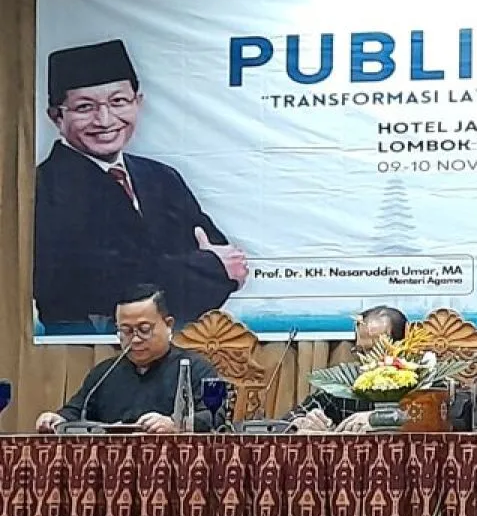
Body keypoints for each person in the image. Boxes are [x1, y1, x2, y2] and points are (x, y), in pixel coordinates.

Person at [34, 39, 248, 334]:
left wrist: (199, 270)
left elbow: (228, 268)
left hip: (178, 345)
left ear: (138, 102)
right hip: (85, 348)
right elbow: (94, 285)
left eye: (118, 102)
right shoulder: (42, 189)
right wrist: (207, 267)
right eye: (85, 107)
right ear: (57, 117)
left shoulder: (161, 178)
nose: (105, 120)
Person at [34, 284, 220, 433]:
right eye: (126, 331)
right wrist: (57, 419)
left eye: (144, 329)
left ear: (168, 324)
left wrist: (176, 424)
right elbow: (75, 412)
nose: (135, 339)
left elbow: (216, 416)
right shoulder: (105, 373)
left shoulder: (196, 368)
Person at [285, 306, 409, 432]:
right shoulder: (348, 384)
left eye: (374, 349)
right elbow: (284, 422)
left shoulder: (419, 385)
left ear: (403, 347)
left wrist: (376, 419)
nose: (367, 359)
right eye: (361, 351)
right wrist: (301, 422)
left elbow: (419, 418)